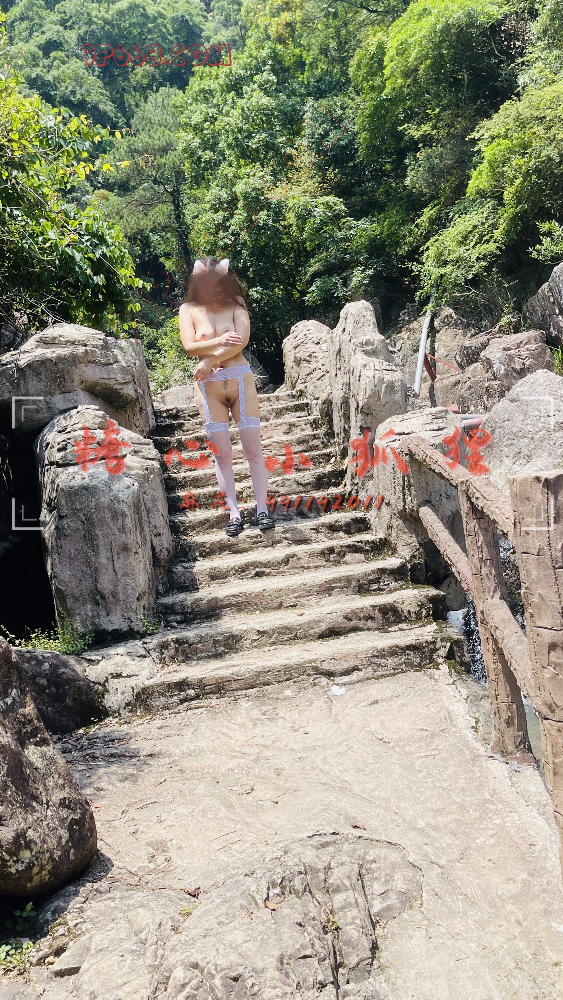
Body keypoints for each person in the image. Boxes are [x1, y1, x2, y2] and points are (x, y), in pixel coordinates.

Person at [179, 257, 275, 537]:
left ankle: (262, 509)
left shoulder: (236, 303)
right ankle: (234, 513)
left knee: (253, 450)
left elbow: (241, 341)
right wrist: (221, 341)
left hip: (240, 381)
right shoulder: (188, 309)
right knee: (222, 455)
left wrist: (210, 359)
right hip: (208, 389)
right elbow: (189, 347)